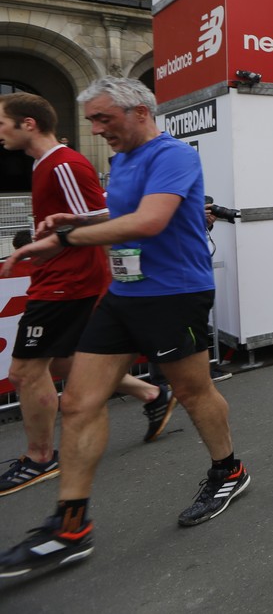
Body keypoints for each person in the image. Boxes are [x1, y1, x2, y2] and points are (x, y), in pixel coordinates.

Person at [0, 77, 247, 579]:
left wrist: (67, 238)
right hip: (123, 294)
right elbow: (121, 211)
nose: (95, 129)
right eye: (91, 119)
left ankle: (229, 469)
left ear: (139, 113)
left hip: (174, 294)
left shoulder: (173, 154)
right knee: (78, 401)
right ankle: (70, 528)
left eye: (103, 118)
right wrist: (76, 219)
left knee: (193, 392)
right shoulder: (124, 159)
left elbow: (149, 221)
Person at [0, 93, 175, 501]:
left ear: (28, 123)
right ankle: (151, 393)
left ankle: (41, 457)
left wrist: (115, 274)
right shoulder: (46, 164)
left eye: (2, 123)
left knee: (25, 372)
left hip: (69, 281)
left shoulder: (64, 164)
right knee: (61, 361)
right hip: (59, 277)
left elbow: (104, 219)